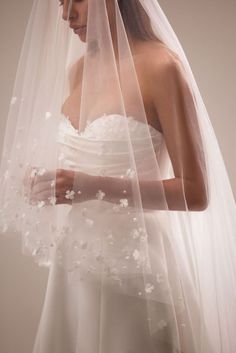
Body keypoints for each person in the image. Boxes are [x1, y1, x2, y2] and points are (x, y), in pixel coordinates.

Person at [0, 1, 236, 353]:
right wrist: (43, 182)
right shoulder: (78, 71)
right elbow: (82, 158)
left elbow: (196, 192)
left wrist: (91, 186)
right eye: (61, 3)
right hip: (73, 270)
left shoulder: (161, 67)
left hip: (135, 273)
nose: (66, 15)